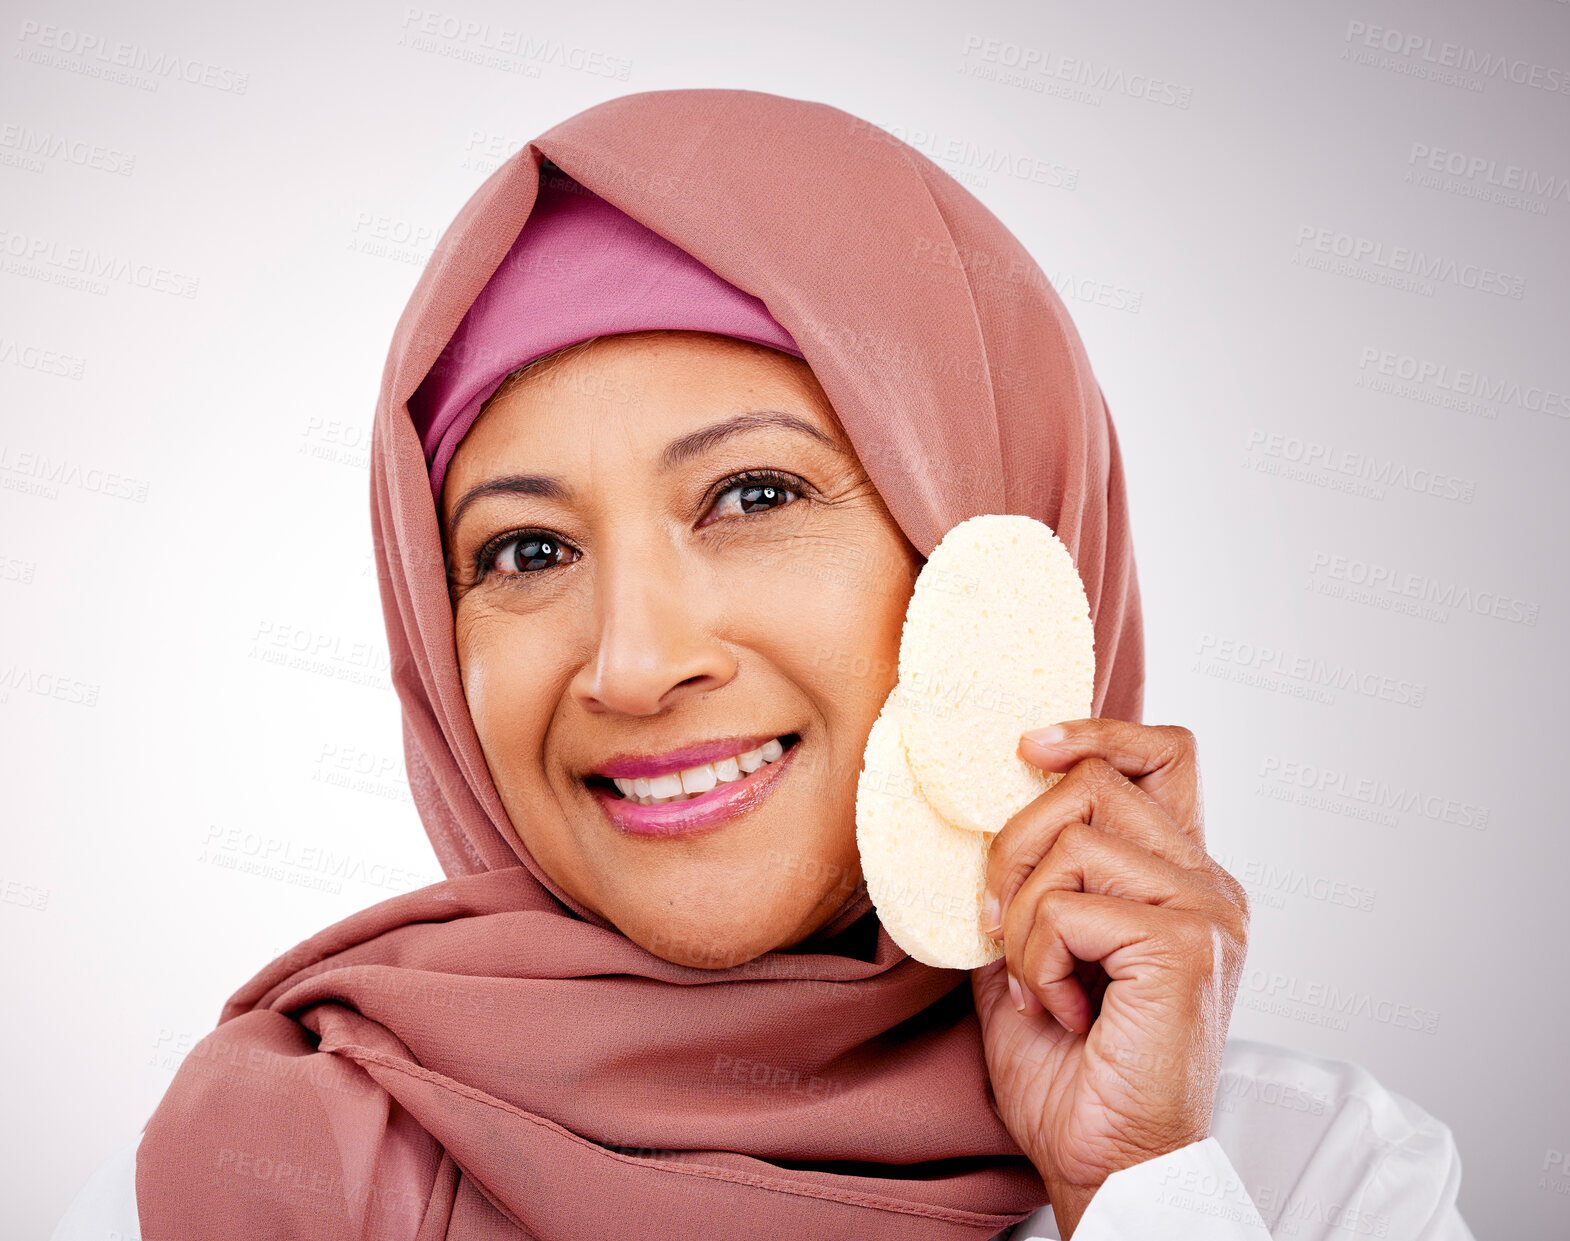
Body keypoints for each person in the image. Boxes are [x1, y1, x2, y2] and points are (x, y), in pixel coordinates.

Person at [52, 89, 1476, 1241]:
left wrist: (1133, 1186)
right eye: (527, 552)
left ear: (984, 540)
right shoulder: (247, 1184)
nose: (636, 660)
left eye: (753, 498)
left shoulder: (1304, 1185)